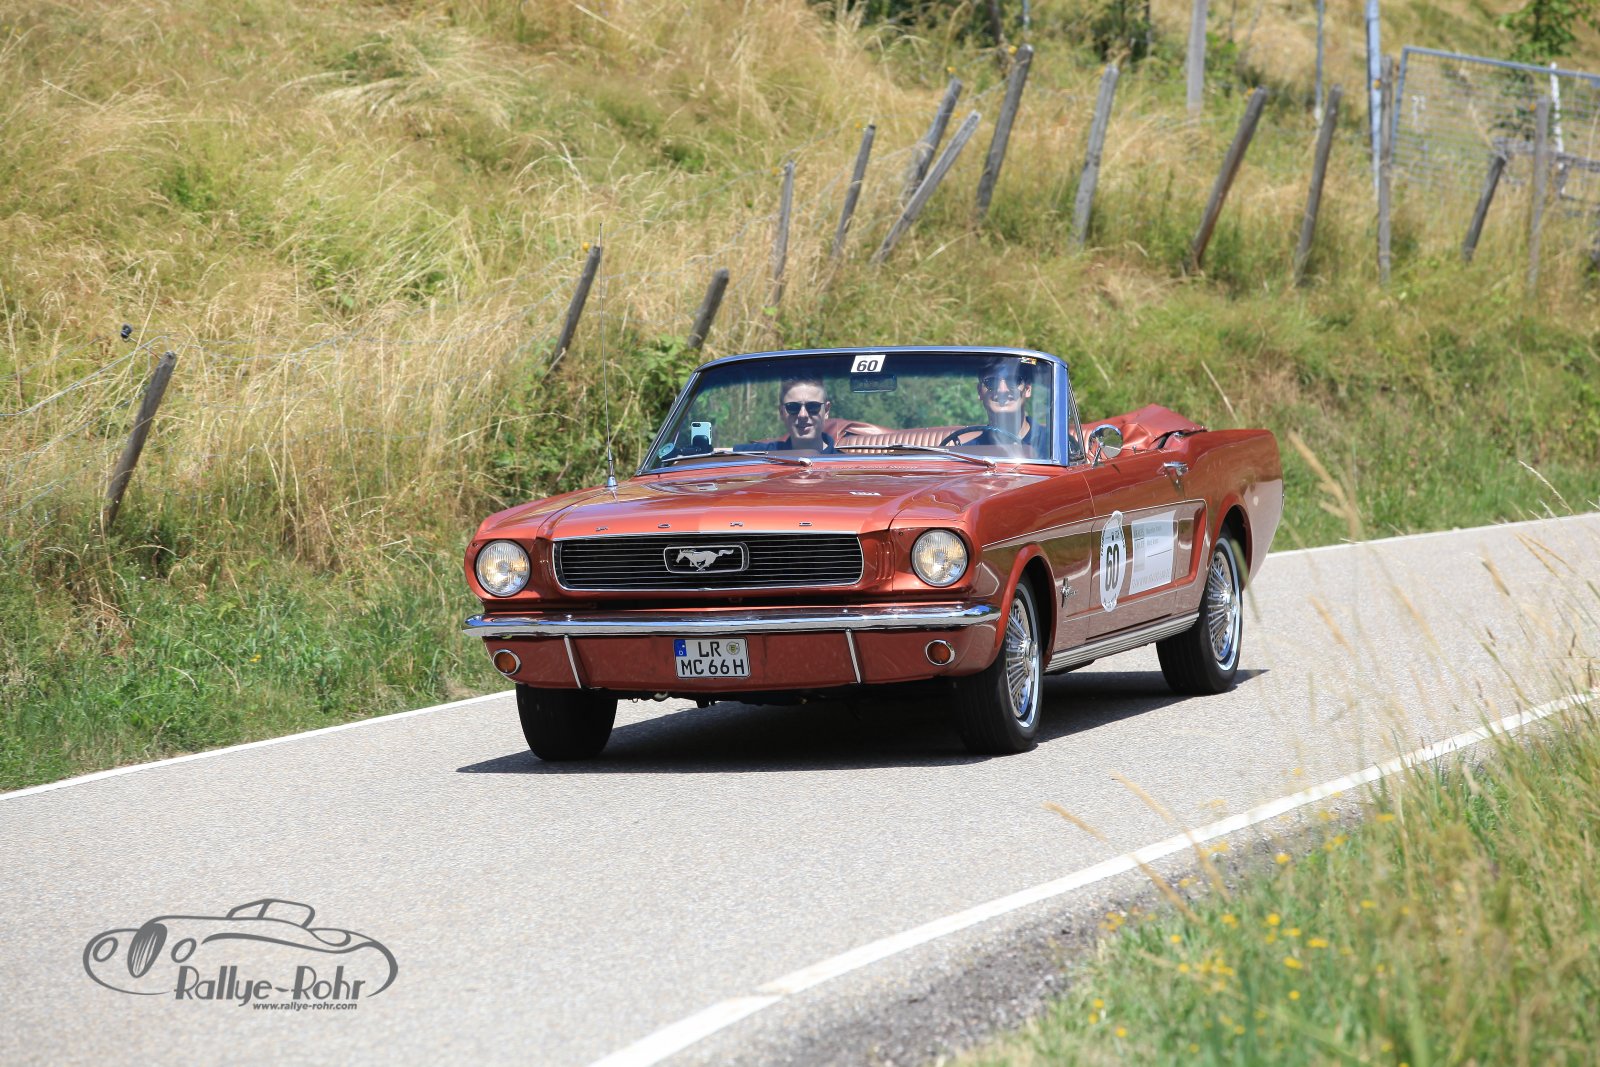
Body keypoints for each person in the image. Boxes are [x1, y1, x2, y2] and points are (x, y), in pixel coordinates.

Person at [744, 375, 837, 452]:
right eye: (792, 407)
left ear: (826, 410)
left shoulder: (843, 463)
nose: (802, 415)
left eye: (813, 406)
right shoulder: (760, 456)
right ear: (781, 412)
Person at [967, 358, 1040, 451]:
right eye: (991, 382)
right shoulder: (966, 453)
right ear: (979, 391)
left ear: (1028, 389)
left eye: (1013, 381)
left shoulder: (1052, 444)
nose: (1002, 390)